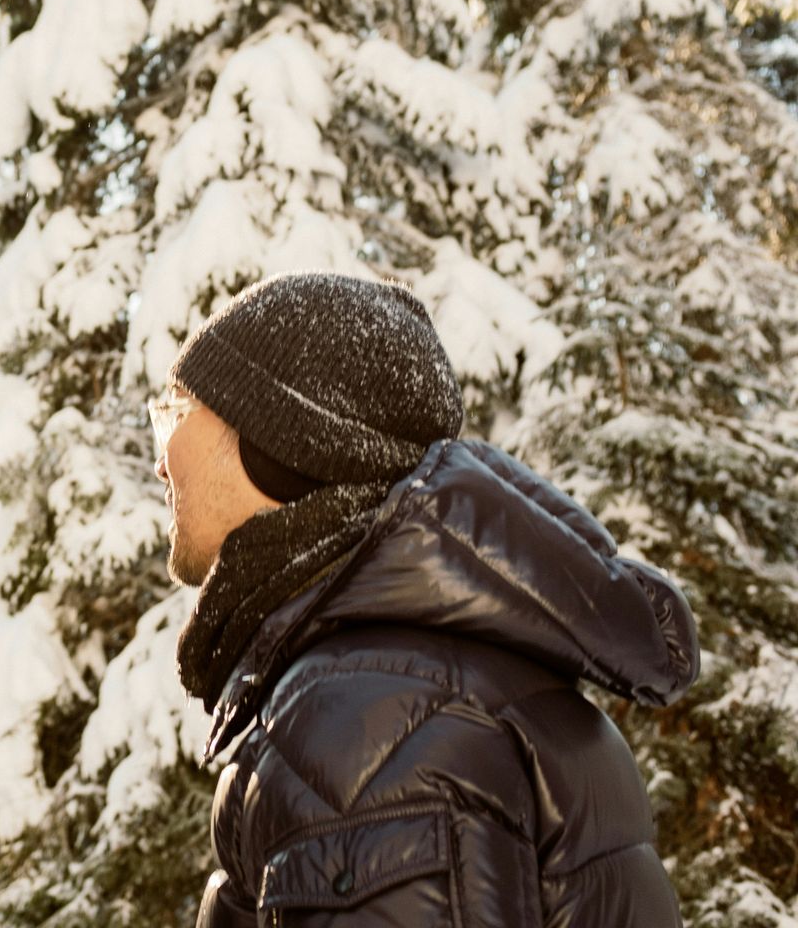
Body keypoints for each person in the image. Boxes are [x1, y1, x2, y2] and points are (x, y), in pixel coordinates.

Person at [153, 272, 700, 926]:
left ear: (277, 444)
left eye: (178, 412)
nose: (161, 461)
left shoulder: (368, 722)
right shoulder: (433, 677)